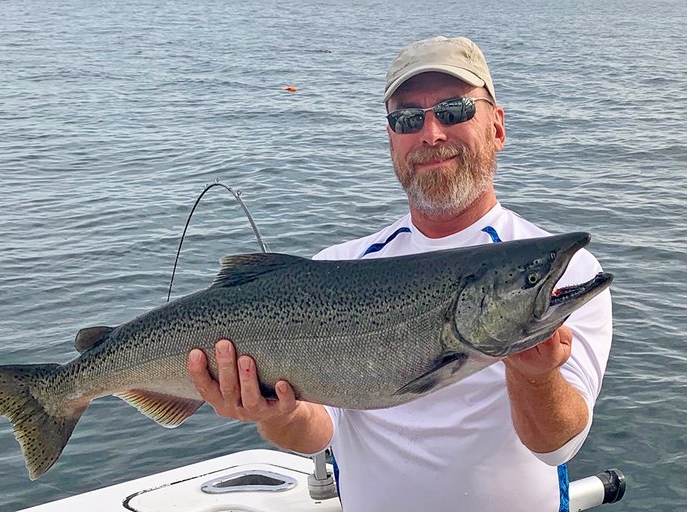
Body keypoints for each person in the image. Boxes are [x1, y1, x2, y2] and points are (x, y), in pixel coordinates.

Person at [187, 35, 612, 511]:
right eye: (408, 118)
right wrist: (272, 414)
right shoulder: (337, 269)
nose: (431, 133)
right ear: (392, 140)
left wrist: (536, 378)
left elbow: (556, 447)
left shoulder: (559, 273)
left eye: (454, 110)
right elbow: (318, 433)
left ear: (497, 127)